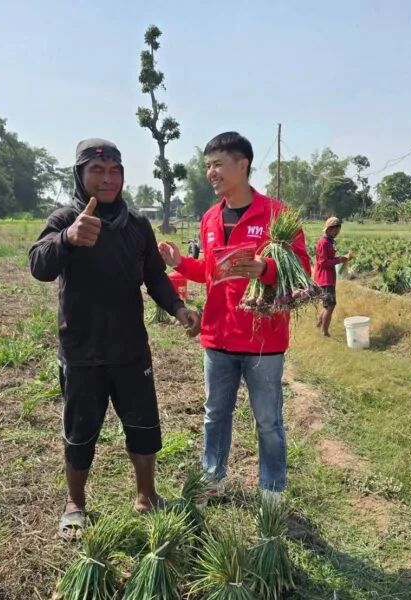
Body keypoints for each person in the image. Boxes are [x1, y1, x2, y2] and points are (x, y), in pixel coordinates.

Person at [28, 138, 200, 540]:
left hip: (129, 348)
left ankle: (147, 496)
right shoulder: (65, 219)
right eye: (97, 171)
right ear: (80, 174)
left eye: (114, 171)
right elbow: (39, 265)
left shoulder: (136, 224)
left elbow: (155, 276)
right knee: (81, 429)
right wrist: (68, 239)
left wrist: (177, 308)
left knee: (143, 426)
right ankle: (75, 504)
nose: (107, 179)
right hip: (82, 349)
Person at [158, 132, 310, 504]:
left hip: (263, 339)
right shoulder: (210, 219)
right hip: (218, 336)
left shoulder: (277, 215)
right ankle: (212, 482)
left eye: (218, 164)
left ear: (243, 165)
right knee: (214, 416)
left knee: (268, 422)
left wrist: (265, 269)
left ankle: (271, 492)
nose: (211, 172)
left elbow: (303, 268)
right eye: (208, 165)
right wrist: (181, 264)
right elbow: (210, 271)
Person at [314, 217, 351, 337]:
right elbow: (323, 262)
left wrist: (340, 259)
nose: (337, 233)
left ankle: (319, 326)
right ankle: (325, 332)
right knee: (330, 305)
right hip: (324, 279)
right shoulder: (324, 243)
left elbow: (328, 259)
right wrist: (339, 260)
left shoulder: (328, 241)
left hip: (328, 278)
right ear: (329, 229)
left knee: (327, 304)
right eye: (335, 230)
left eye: (338, 230)